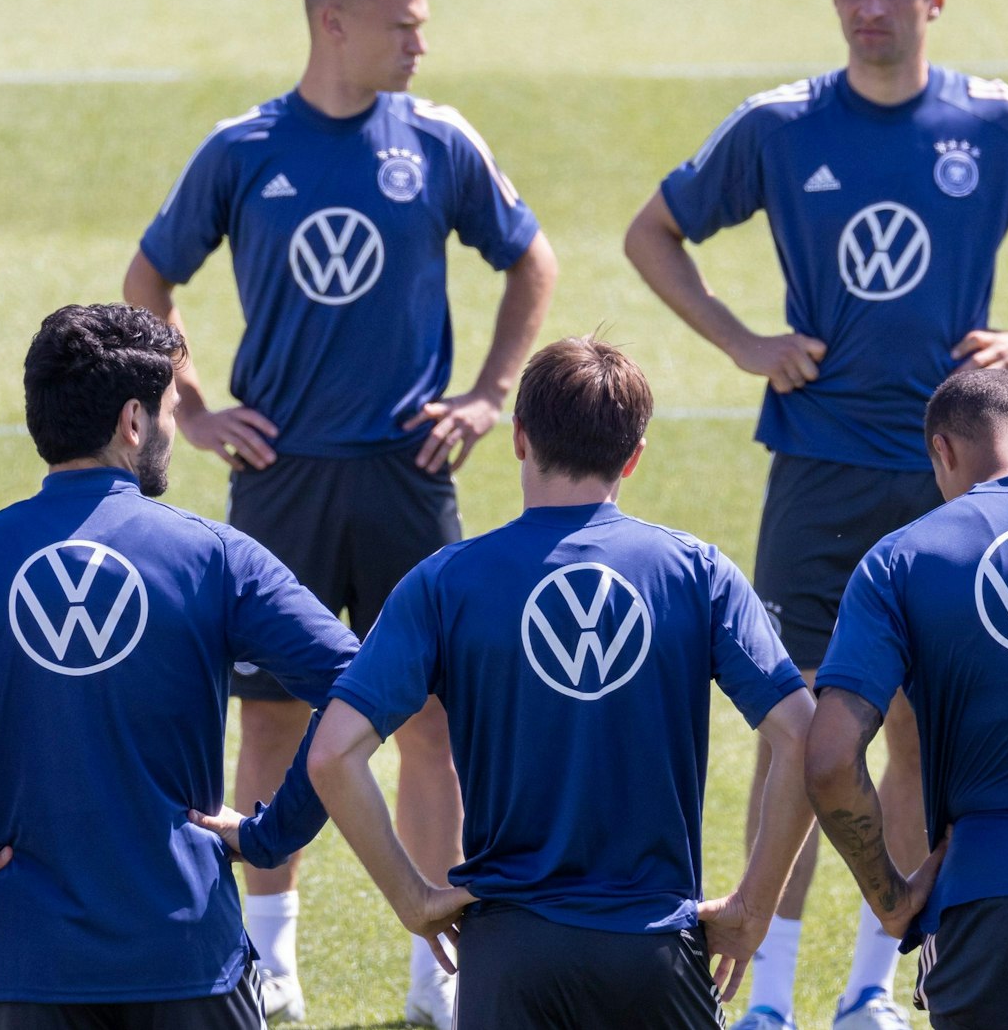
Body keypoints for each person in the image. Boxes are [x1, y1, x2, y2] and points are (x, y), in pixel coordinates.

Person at [123, 0, 556, 1024]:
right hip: (284, 480)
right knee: (271, 721)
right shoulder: (243, 149)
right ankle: (271, 965)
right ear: (333, 23)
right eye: (402, 25)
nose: (420, 43)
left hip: (410, 473)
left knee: (431, 723)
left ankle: (437, 973)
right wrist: (192, 406)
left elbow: (530, 259)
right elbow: (147, 280)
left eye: (421, 23)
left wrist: (489, 393)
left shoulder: (439, 140)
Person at [622, 0, 1008, 1023]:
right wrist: (741, 343)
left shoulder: (1000, 124)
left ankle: (875, 985)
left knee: (920, 731)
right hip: (818, 470)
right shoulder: (780, 126)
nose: (871, 10)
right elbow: (651, 231)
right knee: (801, 726)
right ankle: (766, 993)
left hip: (956, 485)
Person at [0, 304, 358, 1030]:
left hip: (28, 973)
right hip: (190, 962)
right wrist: (274, 832)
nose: (173, 428)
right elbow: (358, 687)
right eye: (170, 408)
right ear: (132, 422)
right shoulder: (214, 558)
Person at [308, 337, 816, 1029]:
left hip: (507, 955)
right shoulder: (698, 573)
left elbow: (332, 754)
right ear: (633, 456)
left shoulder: (444, 583)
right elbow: (804, 736)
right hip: (653, 952)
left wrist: (412, 897)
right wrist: (754, 908)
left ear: (519, 437)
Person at [808, 367, 1008, 1028]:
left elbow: (830, 759)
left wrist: (891, 898)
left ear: (942, 450)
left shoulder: (902, 559)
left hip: (989, 904)